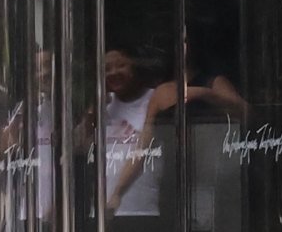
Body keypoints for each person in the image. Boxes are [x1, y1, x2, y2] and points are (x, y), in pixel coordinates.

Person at [101, 46, 249, 218]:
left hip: (219, 172)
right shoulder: (162, 92)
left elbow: (249, 115)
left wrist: (205, 94)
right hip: (175, 178)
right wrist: (118, 192)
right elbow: (144, 144)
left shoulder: (213, 82)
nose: (182, 49)